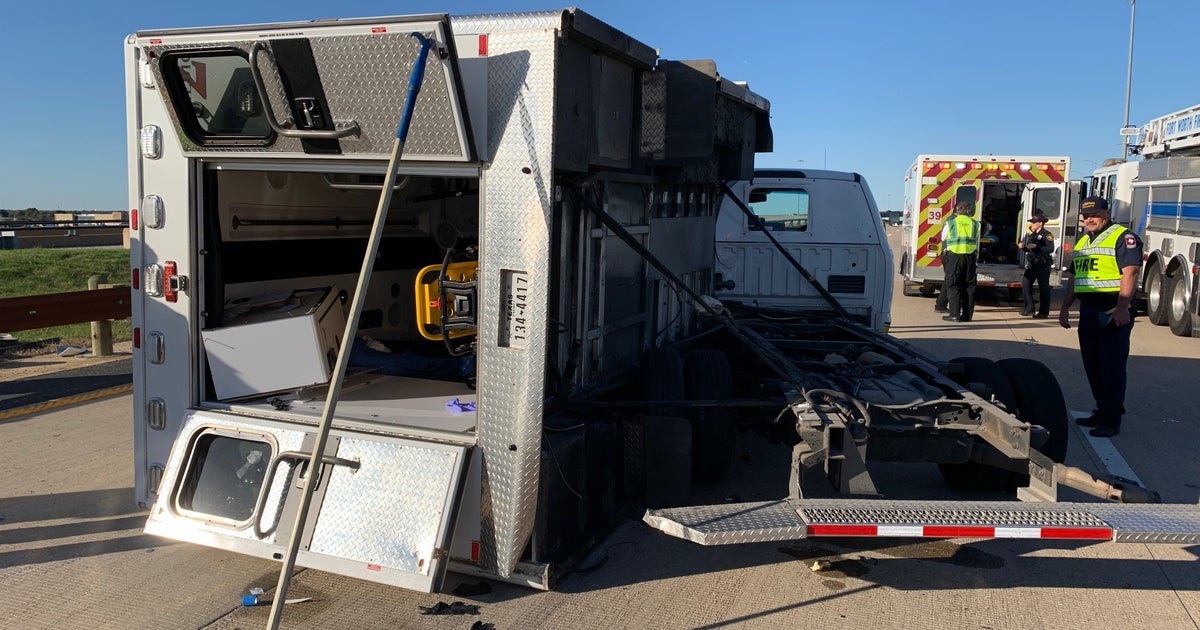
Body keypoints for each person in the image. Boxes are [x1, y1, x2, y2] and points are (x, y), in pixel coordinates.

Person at [1058, 196, 1143, 438]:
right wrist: (1065, 307)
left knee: (1112, 365)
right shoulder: (1084, 240)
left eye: (1094, 214)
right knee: (1093, 364)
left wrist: (1122, 307)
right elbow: (1075, 277)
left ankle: (1110, 418)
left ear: (1107, 213)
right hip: (1088, 309)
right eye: (1085, 216)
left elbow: (1131, 272)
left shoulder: (1122, 237)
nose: (1088, 219)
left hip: (1111, 308)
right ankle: (1102, 409)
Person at [940, 201, 979, 322]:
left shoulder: (951, 222)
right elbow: (977, 236)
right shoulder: (975, 223)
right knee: (969, 286)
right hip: (970, 256)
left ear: (956, 210)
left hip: (955, 256)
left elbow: (943, 237)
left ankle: (954, 314)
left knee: (953, 284)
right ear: (968, 211)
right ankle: (967, 316)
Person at [1020, 212, 1055, 318]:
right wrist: (1023, 247)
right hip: (1032, 264)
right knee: (1025, 283)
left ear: (1040, 223)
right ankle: (1029, 308)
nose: (1032, 224)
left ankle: (1044, 312)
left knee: (1043, 288)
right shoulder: (1033, 234)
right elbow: (1030, 249)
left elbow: (1050, 248)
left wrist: (1036, 247)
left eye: (1034, 222)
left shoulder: (1047, 235)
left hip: (1043, 264)